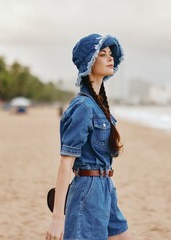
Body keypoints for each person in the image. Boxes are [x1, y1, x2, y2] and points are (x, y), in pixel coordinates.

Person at [45, 34, 132, 240]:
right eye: (103, 54)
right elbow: (66, 162)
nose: (110, 58)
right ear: (89, 63)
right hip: (88, 190)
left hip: (106, 188)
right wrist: (58, 218)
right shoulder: (82, 107)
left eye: (111, 54)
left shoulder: (99, 105)